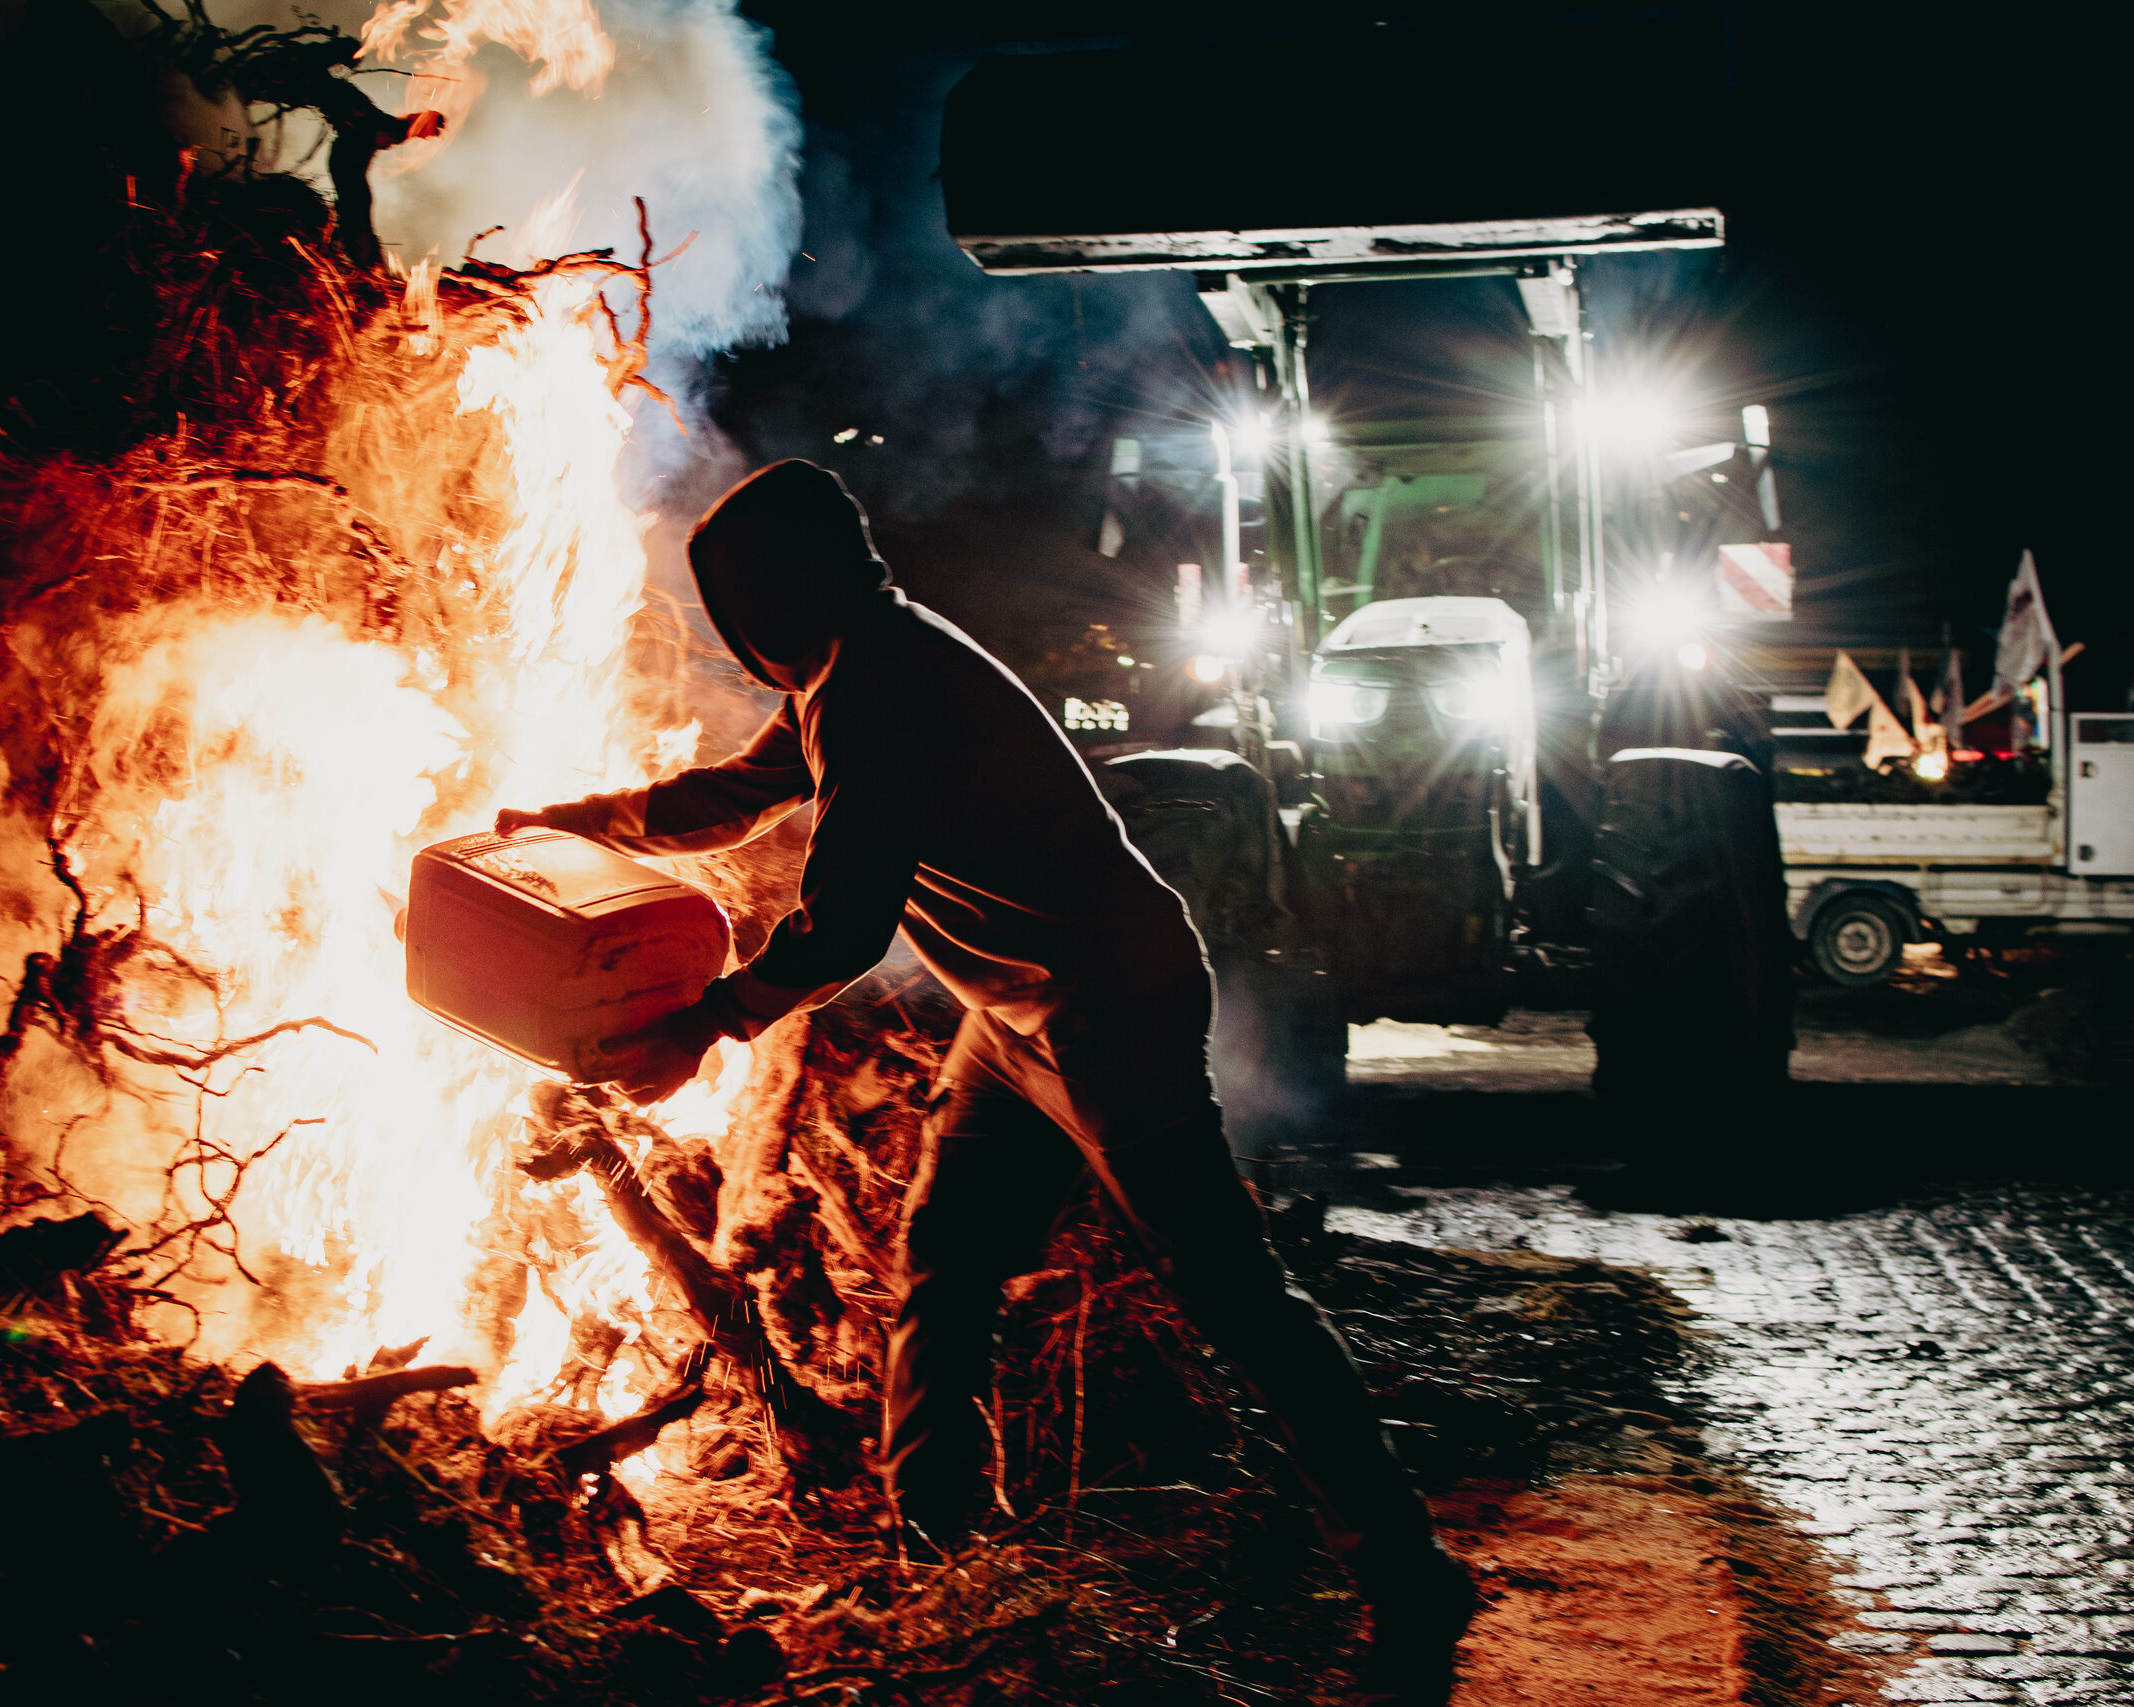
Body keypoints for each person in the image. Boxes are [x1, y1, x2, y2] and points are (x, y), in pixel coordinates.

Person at [496, 461, 1477, 1703]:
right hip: (1016, 1016)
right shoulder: (855, 664)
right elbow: (738, 798)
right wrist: (581, 824)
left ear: (772, 602)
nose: (744, 646)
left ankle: (1404, 1570)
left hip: (1105, 1006)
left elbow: (843, 922)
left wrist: (711, 1023)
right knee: (945, 1266)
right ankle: (942, 1558)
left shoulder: (881, 685)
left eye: (739, 613)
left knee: (1231, 1290)